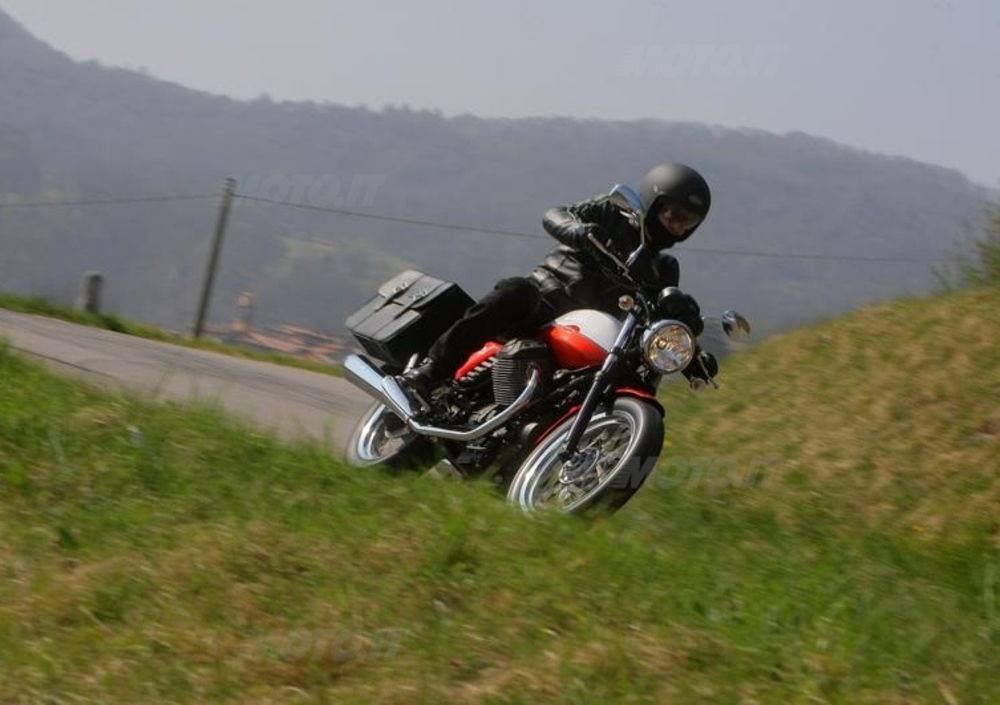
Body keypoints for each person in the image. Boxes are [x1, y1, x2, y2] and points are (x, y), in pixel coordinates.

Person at [401, 162, 715, 397]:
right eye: (674, 215)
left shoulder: (664, 269)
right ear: (653, 202)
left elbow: (661, 322)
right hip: (543, 304)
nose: (678, 227)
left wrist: (691, 353)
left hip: (588, 336)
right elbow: (556, 214)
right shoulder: (611, 212)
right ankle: (431, 372)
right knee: (515, 291)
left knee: (628, 368)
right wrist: (577, 231)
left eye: (687, 222)